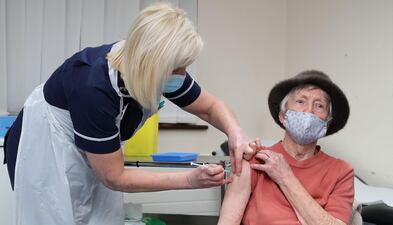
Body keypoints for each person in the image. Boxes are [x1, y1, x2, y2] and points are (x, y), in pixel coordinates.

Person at [3, 3, 257, 225]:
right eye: (178, 68)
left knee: (103, 217)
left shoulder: (157, 72)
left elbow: (210, 108)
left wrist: (236, 133)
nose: (183, 74)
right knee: (56, 215)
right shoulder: (93, 88)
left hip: (95, 153)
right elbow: (115, 176)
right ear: (152, 65)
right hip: (49, 149)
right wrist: (190, 180)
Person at [218, 70, 354, 225]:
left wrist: (286, 177)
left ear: (326, 124)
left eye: (319, 105)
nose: (309, 111)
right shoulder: (254, 159)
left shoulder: (341, 172)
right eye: (301, 102)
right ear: (283, 116)